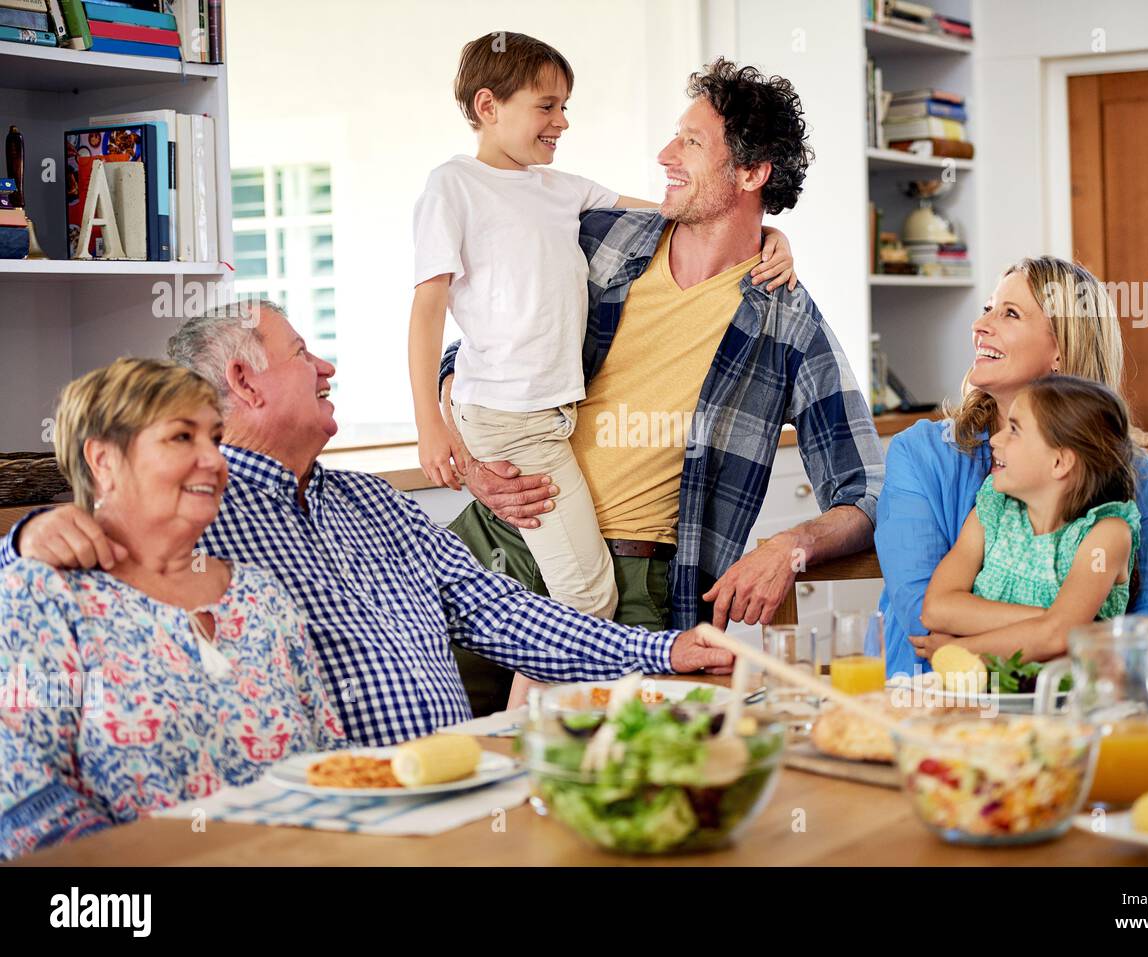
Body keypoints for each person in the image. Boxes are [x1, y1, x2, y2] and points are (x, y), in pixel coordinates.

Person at [0, 303, 734, 746]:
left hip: (452, 795)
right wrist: (26, 538)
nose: (326, 365)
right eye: (300, 354)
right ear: (245, 384)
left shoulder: (376, 502)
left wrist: (668, 650)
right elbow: (84, 558)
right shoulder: (196, 521)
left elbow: (505, 615)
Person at [438, 59, 884, 710]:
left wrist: (790, 546)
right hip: (503, 540)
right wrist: (472, 459)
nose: (665, 154)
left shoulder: (788, 322)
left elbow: (867, 490)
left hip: (635, 587)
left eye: (692, 143)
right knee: (407, 735)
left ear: (752, 174)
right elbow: (469, 351)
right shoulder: (601, 240)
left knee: (589, 775)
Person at [408, 32, 794, 626]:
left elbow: (677, 210)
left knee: (566, 603)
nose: (562, 121)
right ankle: (534, 719)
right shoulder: (453, 186)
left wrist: (770, 234)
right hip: (509, 419)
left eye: (565, 106)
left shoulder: (564, 192)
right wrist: (432, 426)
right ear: (488, 107)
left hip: (546, 415)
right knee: (586, 601)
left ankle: (528, 715)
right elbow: (429, 311)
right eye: (547, 106)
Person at [0, 358, 344, 860]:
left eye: (215, 438)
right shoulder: (42, 598)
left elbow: (327, 763)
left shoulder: (260, 596)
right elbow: (24, 801)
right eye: (182, 438)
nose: (214, 459)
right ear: (103, 460)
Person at [876, 256, 1148, 678]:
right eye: (987, 309)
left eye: (1011, 313)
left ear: (1062, 350)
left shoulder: (1135, 475)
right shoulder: (921, 453)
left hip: (1072, 706)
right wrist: (1068, 627)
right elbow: (924, 620)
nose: (980, 326)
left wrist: (1059, 632)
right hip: (937, 701)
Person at [914, 375, 1142, 663]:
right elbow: (936, 609)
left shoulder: (1106, 536)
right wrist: (1054, 623)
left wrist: (962, 650)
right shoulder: (992, 512)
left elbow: (1057, 636)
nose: (995, 439)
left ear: (1059, 462)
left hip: (1072, 703)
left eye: (1014, 430)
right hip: (989, 700)